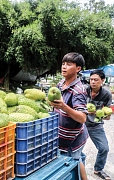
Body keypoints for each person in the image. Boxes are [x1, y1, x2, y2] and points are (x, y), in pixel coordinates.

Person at [49, 52, 88, 180]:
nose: (64, 67)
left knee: (74, 162)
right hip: (64, 135)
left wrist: (64, 107)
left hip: (73, 138)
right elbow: (58, 105)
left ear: (78, 69)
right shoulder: (61, 84)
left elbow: (82, 118)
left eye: (69, 64)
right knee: (77, 159)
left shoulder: (78, 90)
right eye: (63, 64)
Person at [84, 69, 112, 180]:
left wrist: (97, 113)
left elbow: (107, 116)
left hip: (96, 125)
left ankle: (98, 169)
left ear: (103, 81)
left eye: (96, 80)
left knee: (104, 148)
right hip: (80, 124)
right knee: (75, 149)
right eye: (91, 79)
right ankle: (75, 168)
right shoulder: (83, 90)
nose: (93, 82)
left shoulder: (106, 94)